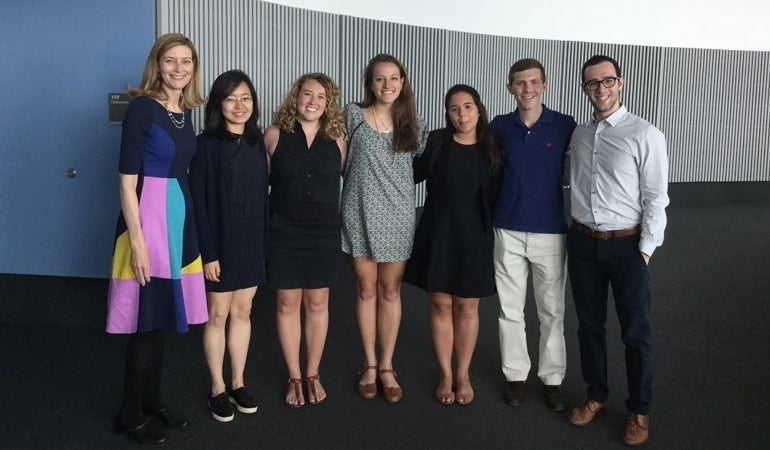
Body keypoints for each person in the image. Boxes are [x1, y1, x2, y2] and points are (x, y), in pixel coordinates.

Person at [106, 33, 207, 446]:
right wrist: (140, 242)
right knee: (145, 324)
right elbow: (126, 183)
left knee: (162, 320)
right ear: (157, 64)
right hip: (146, 223)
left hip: (178, 223)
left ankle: (152, 401)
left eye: (186, 62)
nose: (179, 69)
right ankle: (128, 414)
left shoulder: (185, 112)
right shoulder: (142, 110)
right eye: (170, 61)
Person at [566, 55, 668, 447]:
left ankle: (639, 409)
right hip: (583, 243)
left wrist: (644, 251)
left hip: (627, 246)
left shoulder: (645, 134)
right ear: (584, 89)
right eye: (593, 83)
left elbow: (657, 198)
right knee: (589, 326)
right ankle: (596, 395)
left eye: (608, 80)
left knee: (635, 333)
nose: (601, 89)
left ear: (621, 83)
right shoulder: (579, 135)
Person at [404, 84, 502, 405]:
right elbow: (410, 174)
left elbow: (503, 191)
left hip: (474, 237)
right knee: (441, 305)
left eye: (468, 107)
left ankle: (464, 373)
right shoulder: (437, 142)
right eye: (454, 109)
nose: (462, 114)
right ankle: (446, 374)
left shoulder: (492, 146)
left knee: (467, 306)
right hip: (438, 233)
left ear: (479, 109)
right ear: (447, 113)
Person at [490, 59, 576, 411]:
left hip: (551, 231)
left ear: (545, 85)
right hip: (507, 228)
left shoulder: (565, 126)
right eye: (520, 83)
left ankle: (552, 379)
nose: (527, 89)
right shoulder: (498, 126)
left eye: (534, 82)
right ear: (510, 88)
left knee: (552, 311)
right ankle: (515, 376)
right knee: (510, 310)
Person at [341, 53, 427, 403]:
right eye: (380, 79)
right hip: (358, 212)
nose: (387, 85)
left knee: (390, 291)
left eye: (394, 78)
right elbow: (337, 158)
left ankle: (388, 365)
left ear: (402, 83)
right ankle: (370, 365)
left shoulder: (412, 123)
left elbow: (418, 168)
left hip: (398, 216)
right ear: (370, 83)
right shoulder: (353, 115)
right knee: (365, 289)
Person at [189, 70, 269, 422]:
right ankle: (217, 387)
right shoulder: (205, 144)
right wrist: (209, 253)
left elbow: (262, 200)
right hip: (219, 244)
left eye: (246, 98)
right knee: (218, 314)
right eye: (231, 98)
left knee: (243, 312)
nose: (240, 106)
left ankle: (238, 382)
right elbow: (199, 202)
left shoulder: (257, 143)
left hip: (251, 240)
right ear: (218, 104)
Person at [264, 73, 347, 408]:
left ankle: (312, 373)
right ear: (295, 97)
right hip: (284, 231)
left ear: (329, 104)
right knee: (287, 304)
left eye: (321, 97)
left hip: (324, 234)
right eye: (307, 94)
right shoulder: (273, 135)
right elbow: (260, 186)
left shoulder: (339, 139)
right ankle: (294, 375)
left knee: (317, 304)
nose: (313, 102)